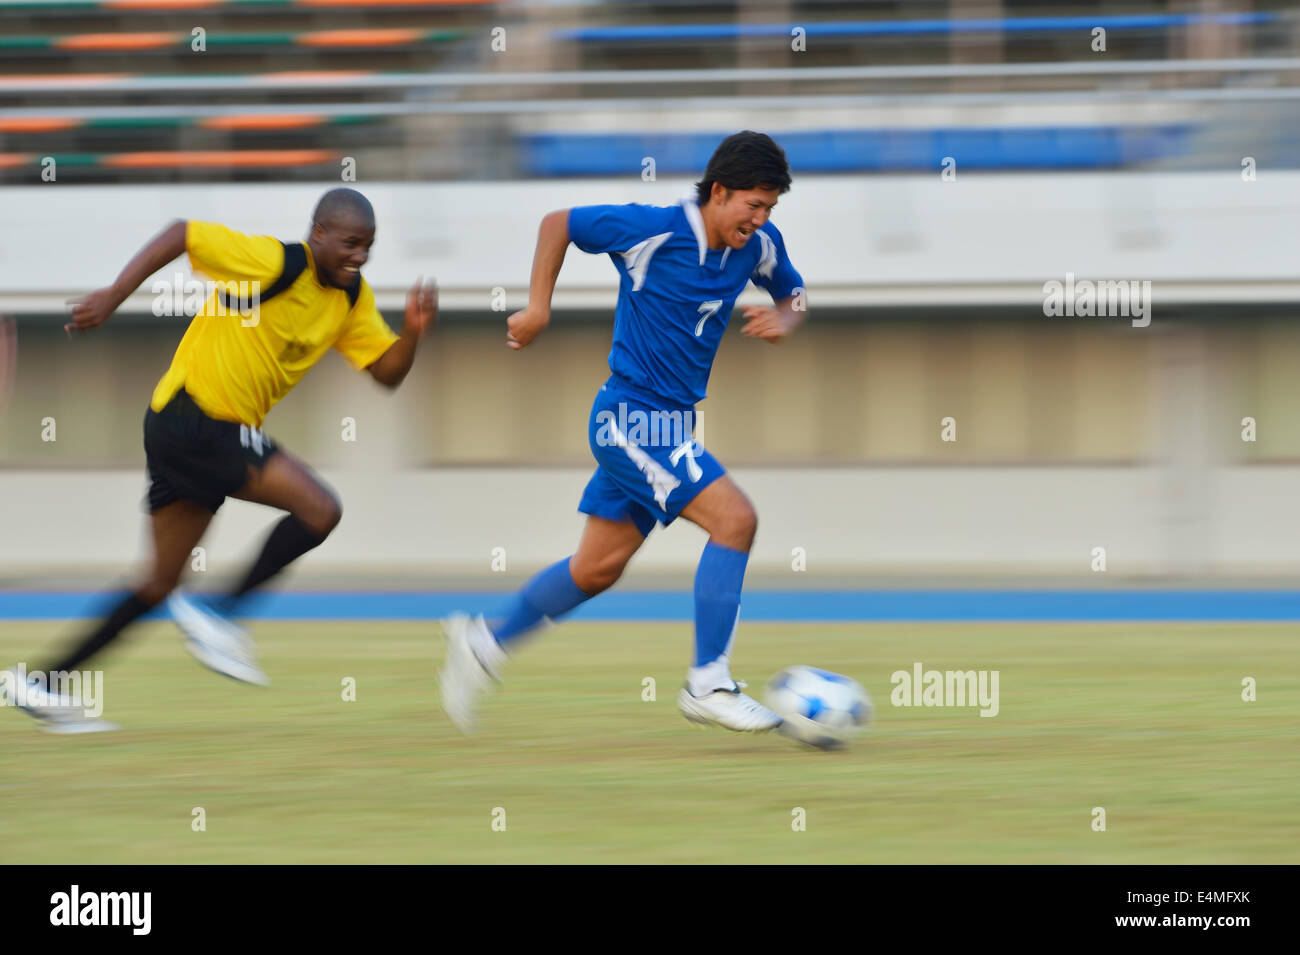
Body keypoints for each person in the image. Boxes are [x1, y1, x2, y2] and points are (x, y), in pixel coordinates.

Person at [2, 188, 436, 732]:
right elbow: (182, 233)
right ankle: (219, 613)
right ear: (318, 233)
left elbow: (385, 372)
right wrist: (114, 295)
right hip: (197, 418)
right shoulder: (275, 262)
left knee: (158, 584)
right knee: (320, 510)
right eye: (351, 243)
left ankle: (42, 682)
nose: (360, 256)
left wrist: (415, 333)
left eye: (369, 246)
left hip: (187, 434)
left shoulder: (350, 299)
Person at [441, 131, 806, 734]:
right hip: (628, 418)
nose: (761, 219)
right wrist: (537, 308)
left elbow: (794, 291)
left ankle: (481, 643)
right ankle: (708, 684)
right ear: (718, 192)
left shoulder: (759, 246)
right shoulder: (651, 229)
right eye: (753, 205)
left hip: (672, 425)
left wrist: (787, 319)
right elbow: (558, 222)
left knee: (596, 569)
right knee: (735, 520)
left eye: (770, 208)